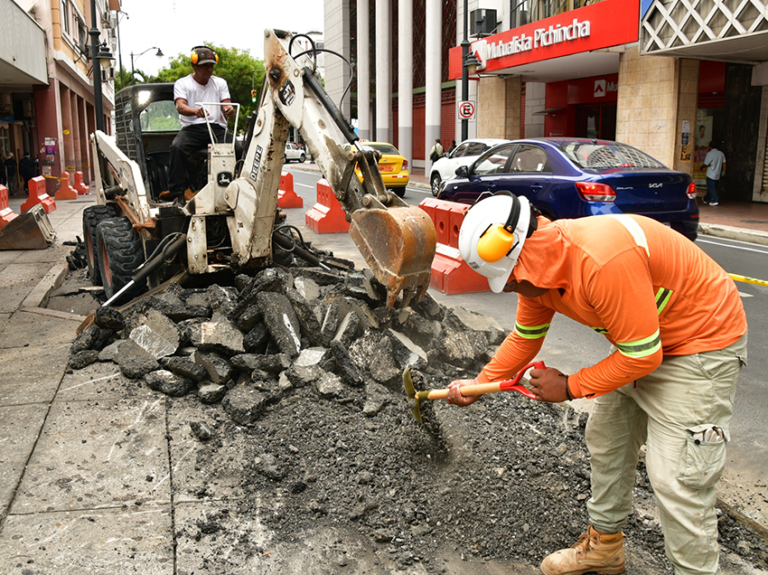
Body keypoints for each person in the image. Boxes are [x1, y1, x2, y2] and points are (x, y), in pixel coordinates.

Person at [449, 193, 747, 575]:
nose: (508, 289)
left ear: (528, 255)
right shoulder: (540, 278)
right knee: (608, 439)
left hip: (701, 342)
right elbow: (525, 337)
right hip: (641, 340)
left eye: (509, 280)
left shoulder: (601, 259)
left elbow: (643, 356)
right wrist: (478, 385)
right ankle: (605, 549)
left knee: (676, 477)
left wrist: (569, 387)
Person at [166, 45, 240, 202]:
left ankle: (238, 185)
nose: (209, 68)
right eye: (205, 65)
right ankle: (178, 191)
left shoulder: (220, 83)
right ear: (194, 66)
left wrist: (229, 110)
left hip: (215, 128)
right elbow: (180, 106)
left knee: (239, 148)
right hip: (193, 128)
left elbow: (226, 103)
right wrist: (195, 111)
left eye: (211, 65)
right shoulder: (183, 83)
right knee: (177, 147)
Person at [703, 141, 725, 206]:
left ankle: (715, 200)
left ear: (710, 147)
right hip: (717, 174)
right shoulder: (721, 153)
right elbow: (724, 163)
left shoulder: (709, 154)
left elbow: (706, 164)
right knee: (712, 187)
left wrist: (701, 167)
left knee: (711, 188)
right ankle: (705, 198)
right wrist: (723, 171)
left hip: (710, 174)